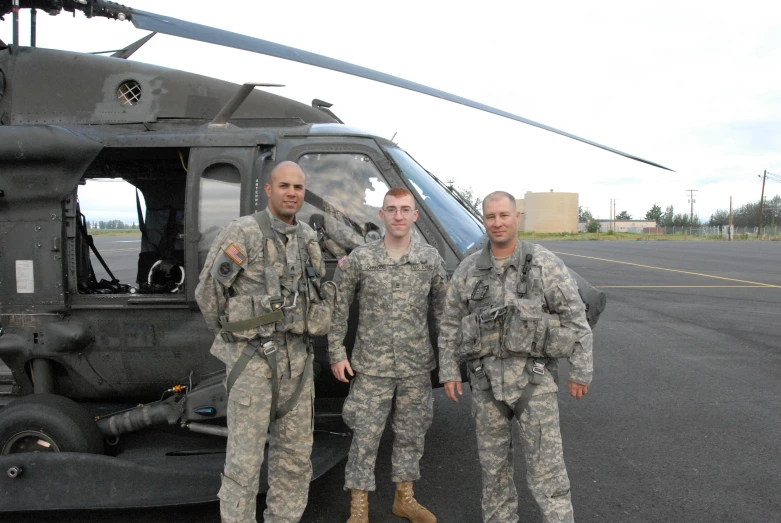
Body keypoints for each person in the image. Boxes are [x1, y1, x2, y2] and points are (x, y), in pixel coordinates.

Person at [438, 191, 593, 523]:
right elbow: (450, 321)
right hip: (486, 385)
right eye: (490, 217)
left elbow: (574, 316)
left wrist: (581, 370)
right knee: (493, 474)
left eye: (504, 215)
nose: (497, 223)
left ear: (516, 218)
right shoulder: (469, 269)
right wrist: (450, 370)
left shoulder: (544, 264)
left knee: (548, 473)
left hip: (534, 384)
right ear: (484, 221)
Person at [195, 161, 328, 523]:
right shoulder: (244, 233)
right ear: (269, 190)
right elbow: (209, 294)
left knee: (295, 458)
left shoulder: (307, 240)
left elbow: (315, 295)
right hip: (253, 364)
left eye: (298, 188)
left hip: (297, 366)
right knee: (244, 462)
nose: (292, 193)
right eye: (284, 186)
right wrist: (237, 338)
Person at [328, 187, 448, 523]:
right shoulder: (361, 259)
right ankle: (359, 508)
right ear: (381, 215)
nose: (398, 215)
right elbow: (339, 308)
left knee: (412, 434)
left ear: (414, 216)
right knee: (365, 436)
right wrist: (336, 352)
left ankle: (404, 499)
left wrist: (450, 364)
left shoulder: (428, 260)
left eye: (404, 209)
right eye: (391, 209)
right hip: (371, 367)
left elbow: (445, 314)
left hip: (415, 367)